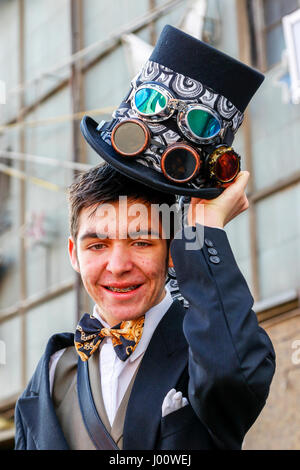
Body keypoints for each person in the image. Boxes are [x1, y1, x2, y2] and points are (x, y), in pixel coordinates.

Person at [14, 162, 275, 450]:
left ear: (172, 249)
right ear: (74, 255)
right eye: (97, 246)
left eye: (141, 242)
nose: (118, 266)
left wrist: (205, 228)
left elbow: (234, 376)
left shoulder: (204, 345)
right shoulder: (49, 374)